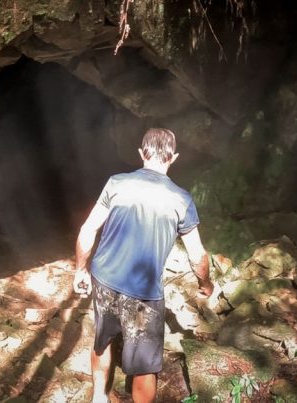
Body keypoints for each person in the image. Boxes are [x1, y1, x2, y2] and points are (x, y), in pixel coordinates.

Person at [72, 128, 214, 403]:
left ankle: (99, 397)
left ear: (141, 153)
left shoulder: (116, 183)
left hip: (104, 278)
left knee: (103, 339)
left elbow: (87, 230)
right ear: (173, 158)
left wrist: (80, 269)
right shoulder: (181, 199)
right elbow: (197, 255)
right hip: (144, 293)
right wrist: (205, 284)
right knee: (145, 364)